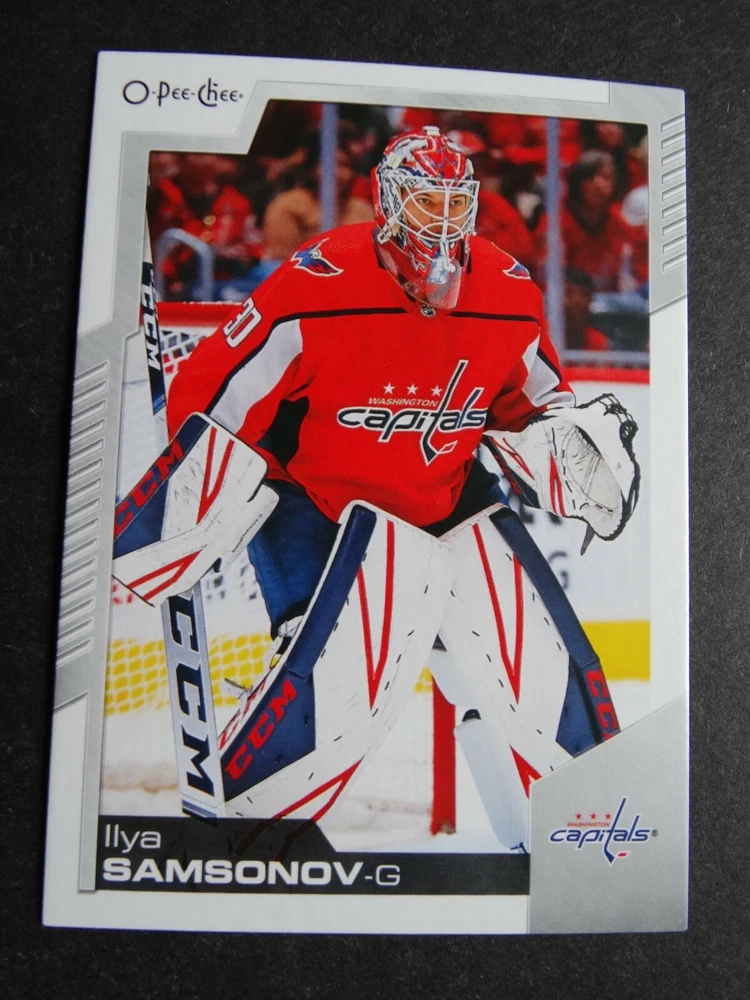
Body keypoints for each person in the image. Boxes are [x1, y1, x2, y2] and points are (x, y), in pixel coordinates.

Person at [163, 128, 637, 840]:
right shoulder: (319, 279)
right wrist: (197, 490)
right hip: (315, 498)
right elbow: (210, 395)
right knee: (333, 681)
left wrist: (567, 441)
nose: (441, 220)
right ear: (387, 201)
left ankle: (584, 838)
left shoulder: (506, 289)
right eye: (424, 201)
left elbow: (537, 400)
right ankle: (241, 841)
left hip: (445, 496)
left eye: (454, 202)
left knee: (538, 667)